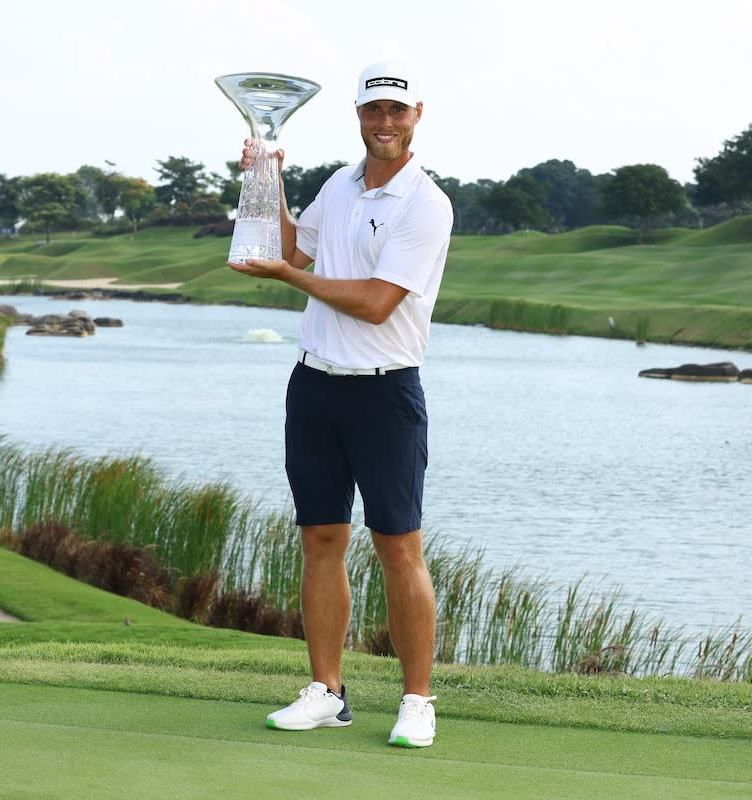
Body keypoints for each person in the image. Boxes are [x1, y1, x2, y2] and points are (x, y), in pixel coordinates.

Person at [227, 59, 453, 748]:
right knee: (321, 539)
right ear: (358, 114)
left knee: (397, 546)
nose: (384, 122)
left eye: (397, 111)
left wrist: (291, 275)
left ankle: (417, 700)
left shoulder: (426, 203)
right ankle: (328, 691)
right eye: (373, 110)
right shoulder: (339, 185)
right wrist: (265, 179)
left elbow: (378, 304)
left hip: (385, 392)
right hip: (316, 385)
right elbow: (294, 244)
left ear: (418, 116)